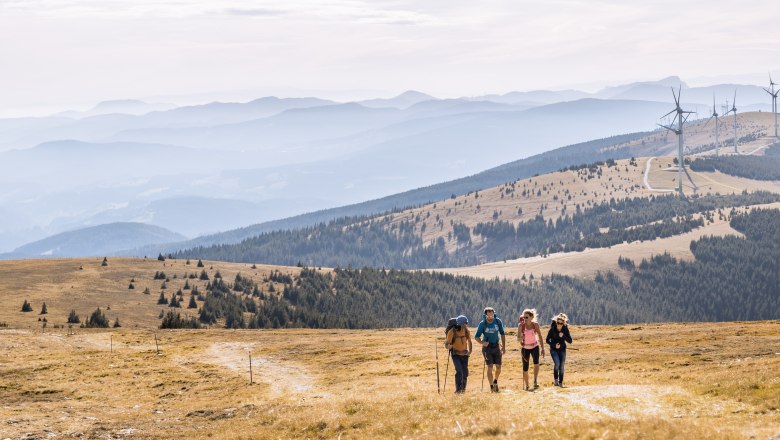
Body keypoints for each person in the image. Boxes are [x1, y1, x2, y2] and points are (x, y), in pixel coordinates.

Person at [474, 307, 506, 392]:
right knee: (490, 366)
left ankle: (495, 381)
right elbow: (476, 337)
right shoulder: (483, 324)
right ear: (485, 315)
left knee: (498, 367)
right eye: (488, 314)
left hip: (496, 346)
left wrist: (504, 346)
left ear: (493, 313)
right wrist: (482, 343)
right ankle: (492, 386)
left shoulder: (498, 321)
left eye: (492, 314)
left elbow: (502, 334)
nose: (490, 316)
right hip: (487, 348)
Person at [517, 308, 545, 391]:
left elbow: (540, 336)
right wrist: (520, 337)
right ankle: (527, 385)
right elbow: (518, 339)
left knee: (536, 363)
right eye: (524, 317)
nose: (524, 319)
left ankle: (535, 381)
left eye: (526, 317)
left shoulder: (535, 325)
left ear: (531, 317)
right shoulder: (521, 326)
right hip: (525, 348)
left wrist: (543, 348)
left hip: (534, 346)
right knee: (525, 367)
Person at [445, 315, 472, 393]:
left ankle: (463, 390)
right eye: (465, 323)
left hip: (465, 355)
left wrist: (470, 351)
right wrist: (448, 346)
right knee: (459, 371)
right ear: (461, 323)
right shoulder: (452, 332)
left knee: (465, 373)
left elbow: (469, 341)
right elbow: (446, 344)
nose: (466, 325)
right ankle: (458, 390)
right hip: (455, 354)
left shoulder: (466, 331)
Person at [546, 313, 573, 387]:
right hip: (553, 350)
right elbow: (547, 340)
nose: (559, 324)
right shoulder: (552, 329)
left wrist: (563, 336)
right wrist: (554, 345)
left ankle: (560, 383)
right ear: (556, 322)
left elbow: (570, 341)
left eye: (561, 323)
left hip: (562, 350)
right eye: (558, 323)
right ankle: (555, 380)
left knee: (562, 366)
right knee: (557, 364)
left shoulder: (565, 329)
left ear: (563, 323)